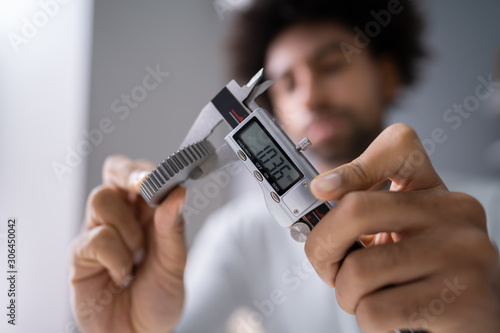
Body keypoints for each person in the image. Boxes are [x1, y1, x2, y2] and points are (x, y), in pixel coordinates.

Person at [69, 0, 500, 332]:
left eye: (332, 65)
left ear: (386, 75)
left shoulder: (489, 213)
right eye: (288, 83)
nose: (310, 96)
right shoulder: (237, 235)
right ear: (271, 108)